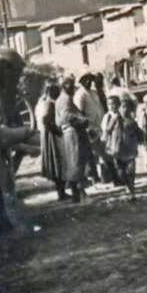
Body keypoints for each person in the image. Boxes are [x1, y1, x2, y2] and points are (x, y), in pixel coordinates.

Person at [55, 74, 91, 202]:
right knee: (76, 162)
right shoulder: (65, 100)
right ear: (64, 85)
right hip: (73, 133)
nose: (72, 87)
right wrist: (83, 121)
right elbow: (67, 117)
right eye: (69, 84)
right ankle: (80, 194)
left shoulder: (64, 99)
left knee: (74, 163)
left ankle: (77, 194)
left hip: (70, 133)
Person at [106, 95, 142, 202]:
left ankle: (132, 192)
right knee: (121, 173)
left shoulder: (132, 121)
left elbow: (138, 133)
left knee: (131, 171)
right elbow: (108, 130)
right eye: (123, 107)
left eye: (127, 107)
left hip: (130, 150)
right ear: (119, 108)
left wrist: (141, 139)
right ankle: (127, 186)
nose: (124, 109)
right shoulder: (115, 118)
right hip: (118, 150)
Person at [35, 79, 66, 200]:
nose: (58, 92)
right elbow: (45, 120)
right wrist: (57, 131)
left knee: (58, 164)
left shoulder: (43, 102)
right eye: (56, 90)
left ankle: (61, 192)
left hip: (49, 134)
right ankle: (61, 193)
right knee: (58, 163)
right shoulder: (50, 103)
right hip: (52, 136)